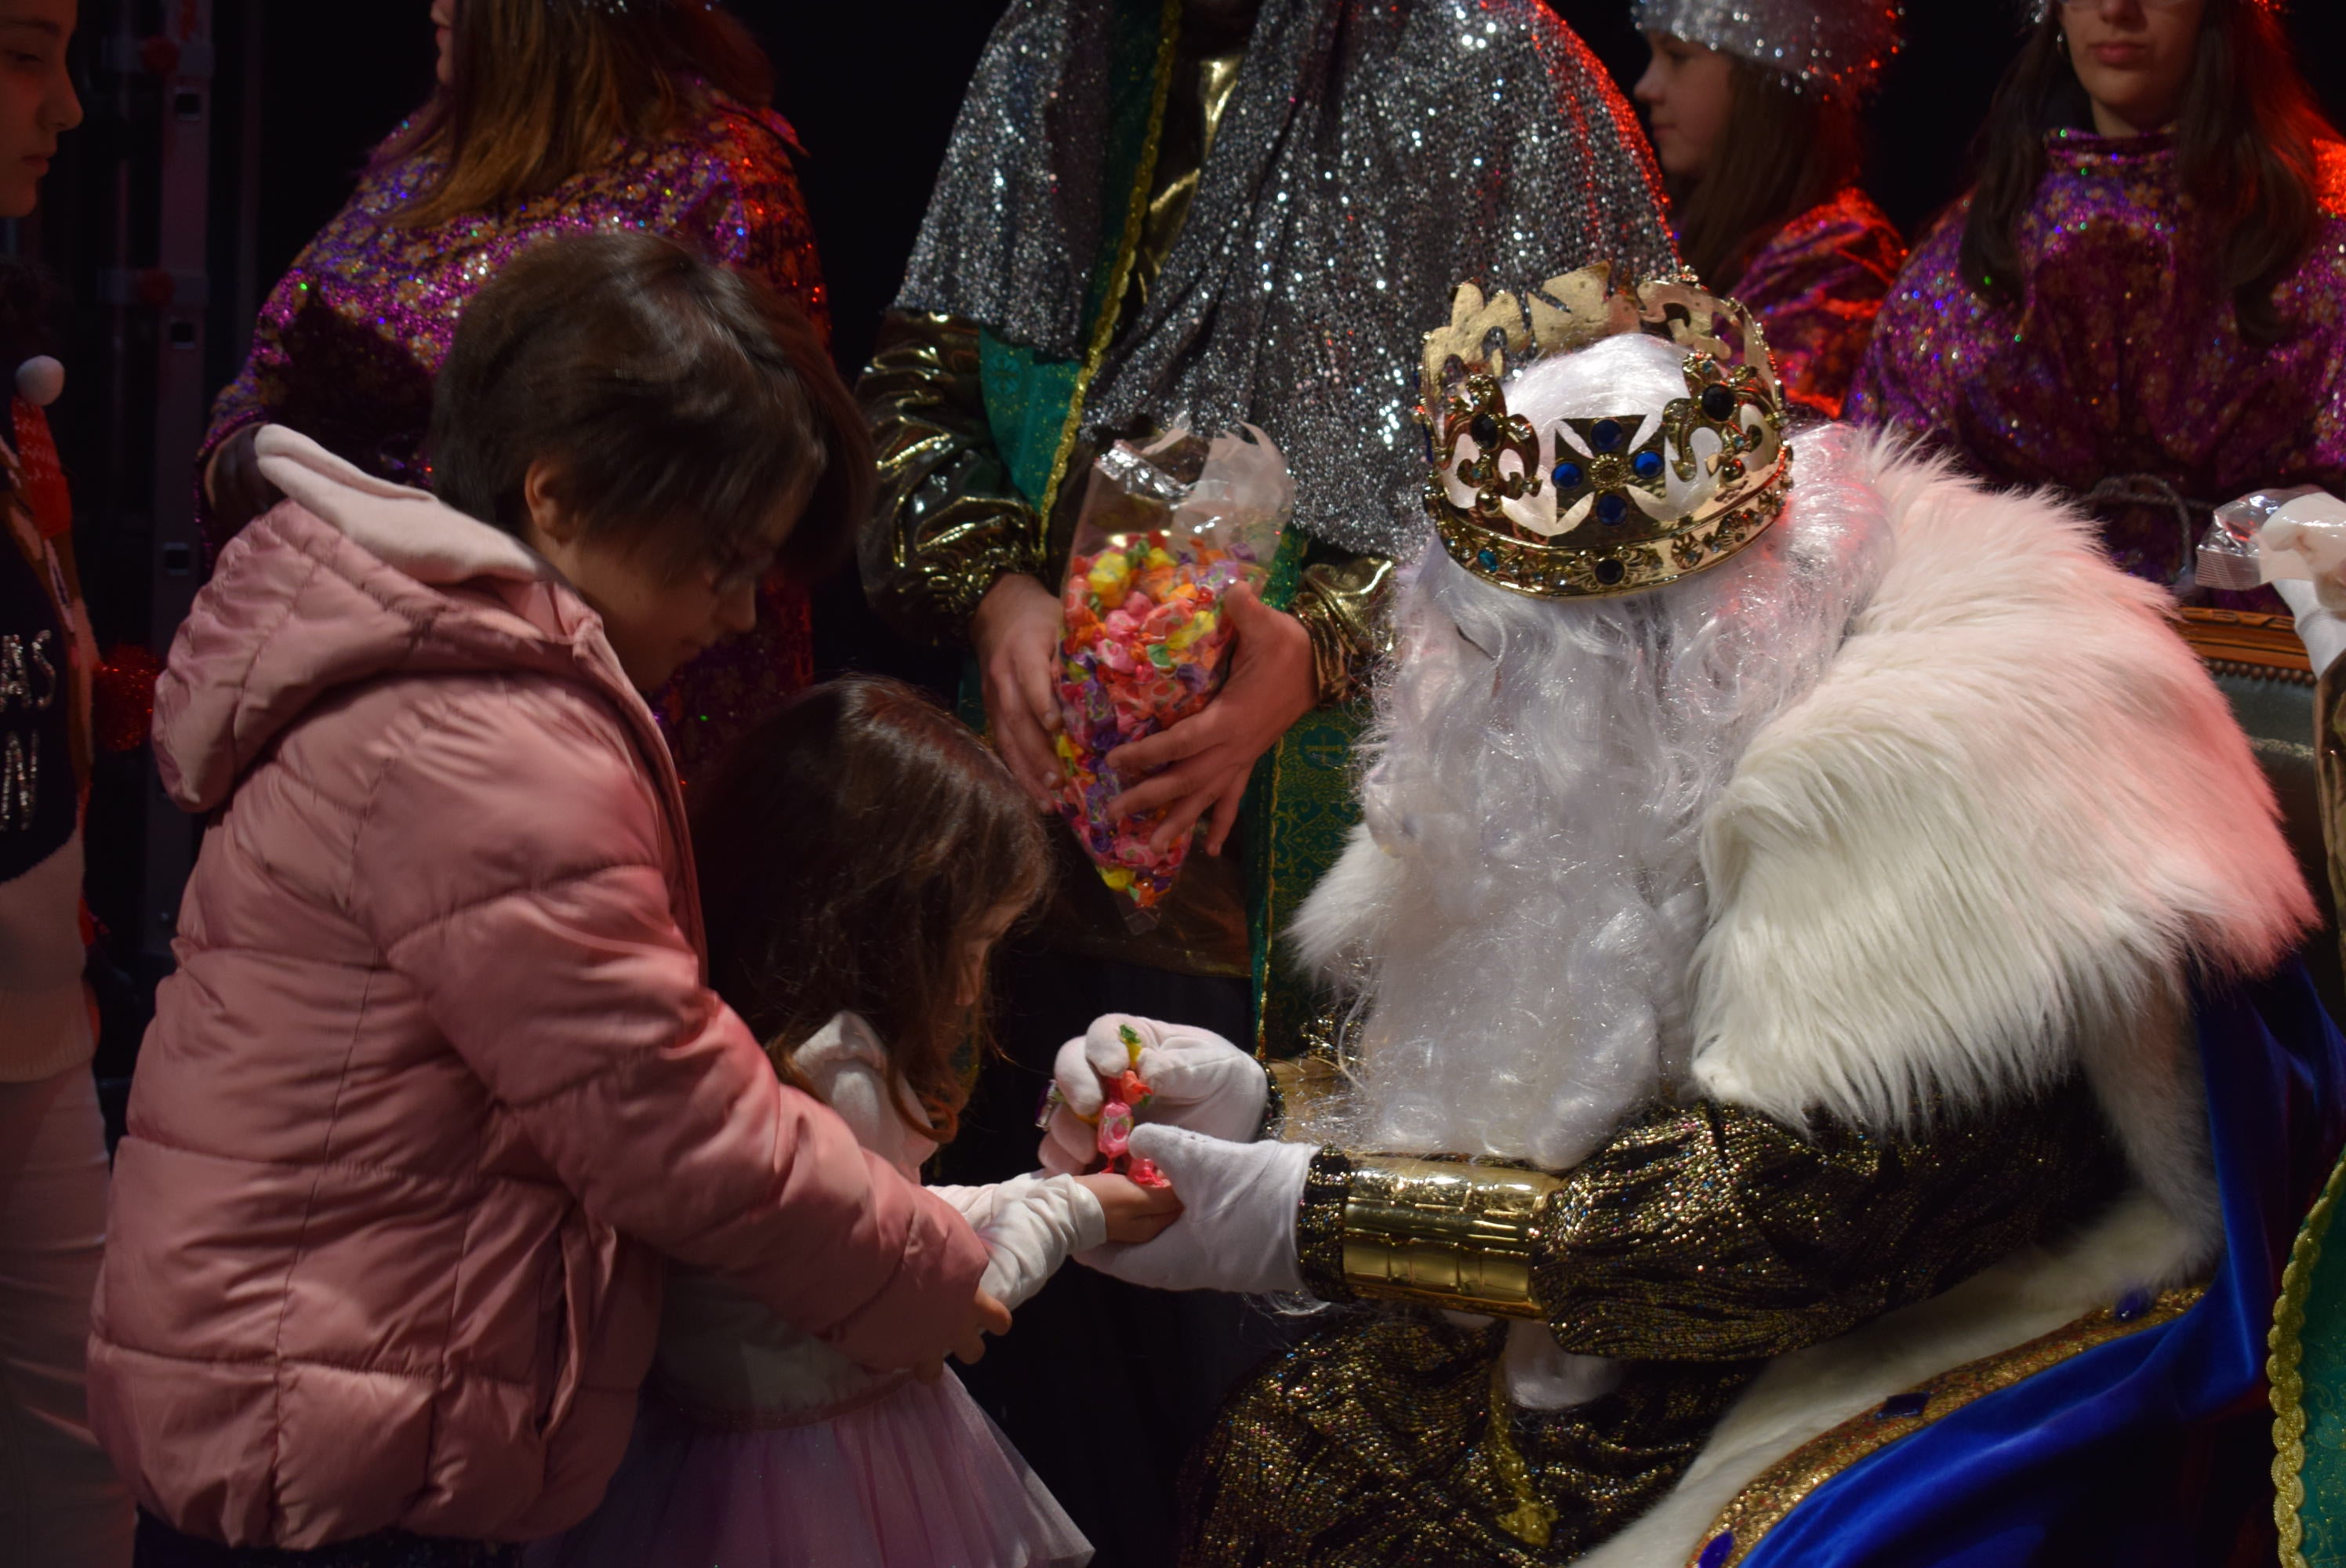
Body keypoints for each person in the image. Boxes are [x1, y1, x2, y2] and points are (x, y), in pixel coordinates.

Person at [1040, 268, 2343, 1564]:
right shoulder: (1657, 736)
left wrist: (1305, 1214)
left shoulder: (1925, 779)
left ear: (1653, 644)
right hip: (1652, 1297)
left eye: (1511, 666)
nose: (1480, 716)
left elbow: (1762, 1221)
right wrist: (1279, 1109)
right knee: (1288, 1458)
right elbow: (1564, 1066)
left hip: (1925, 1300)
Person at [859, 4, 1674, 1551]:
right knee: (1041, 1420)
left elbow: (1635, 473)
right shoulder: (1056, 56)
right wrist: (995, 590)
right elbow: (912, 410)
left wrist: (1335, 642)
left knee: (1282, 1446)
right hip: (1030, 896)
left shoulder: (1500, 75)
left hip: (1344, 911)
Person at [89, 234, 1004, 1566]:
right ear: (560, 497)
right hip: (339, 1459)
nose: (744, 614)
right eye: (718, 559)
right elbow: (668, 1118)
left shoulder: (465, 678)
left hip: (339, 1406)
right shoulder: (485, 735)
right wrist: (924, 1272)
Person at [536, 675, 1181, 1568]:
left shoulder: (732, 1037)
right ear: (884, 919)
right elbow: (930, 1299)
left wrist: (1042, 1187)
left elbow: (885, 1224)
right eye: (972, 945)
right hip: (817, 1472)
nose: (970, 983)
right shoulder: (836, 1071)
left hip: (697, 1446)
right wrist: (1070, 1211)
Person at [197, 0, 825, 782]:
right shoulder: (429, 147)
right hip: (344, 673)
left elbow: (753, 524)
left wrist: (702, 816)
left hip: (543, 732)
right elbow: (270, 374)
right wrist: (242, 457)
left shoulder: (716, 176)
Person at [1847, 0, 2346, 592]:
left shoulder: (2318, 219)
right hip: (2031, 634)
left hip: (2273, 641)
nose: (2116, 9)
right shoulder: (1978, 238)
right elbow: (1891, 476)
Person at [0, 4, 136, 1563]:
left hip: (36, 1017)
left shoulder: (14, 368)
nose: (75, 108)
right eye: (26, 53)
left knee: (71, 1477)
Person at [1629, 0, 1907, 416]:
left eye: (1678, 57)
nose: (1646, 87)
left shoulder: (1837, 254)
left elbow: (1764, 441)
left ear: (1763, 80)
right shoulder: (1674, 224)